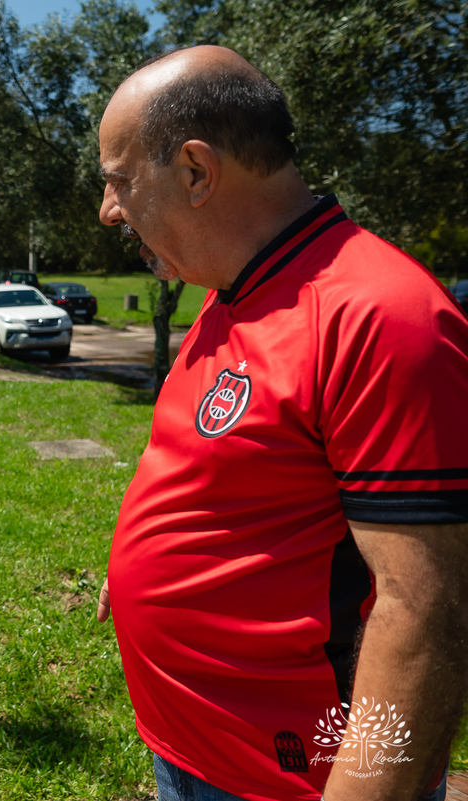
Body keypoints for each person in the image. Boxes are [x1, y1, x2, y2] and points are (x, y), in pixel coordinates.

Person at [93, 45, 468, 801]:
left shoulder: (381, 316)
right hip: (191, 750)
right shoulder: (231, 293)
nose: (109, 208)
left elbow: (430, 612)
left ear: (197, 171)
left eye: (121, 180)